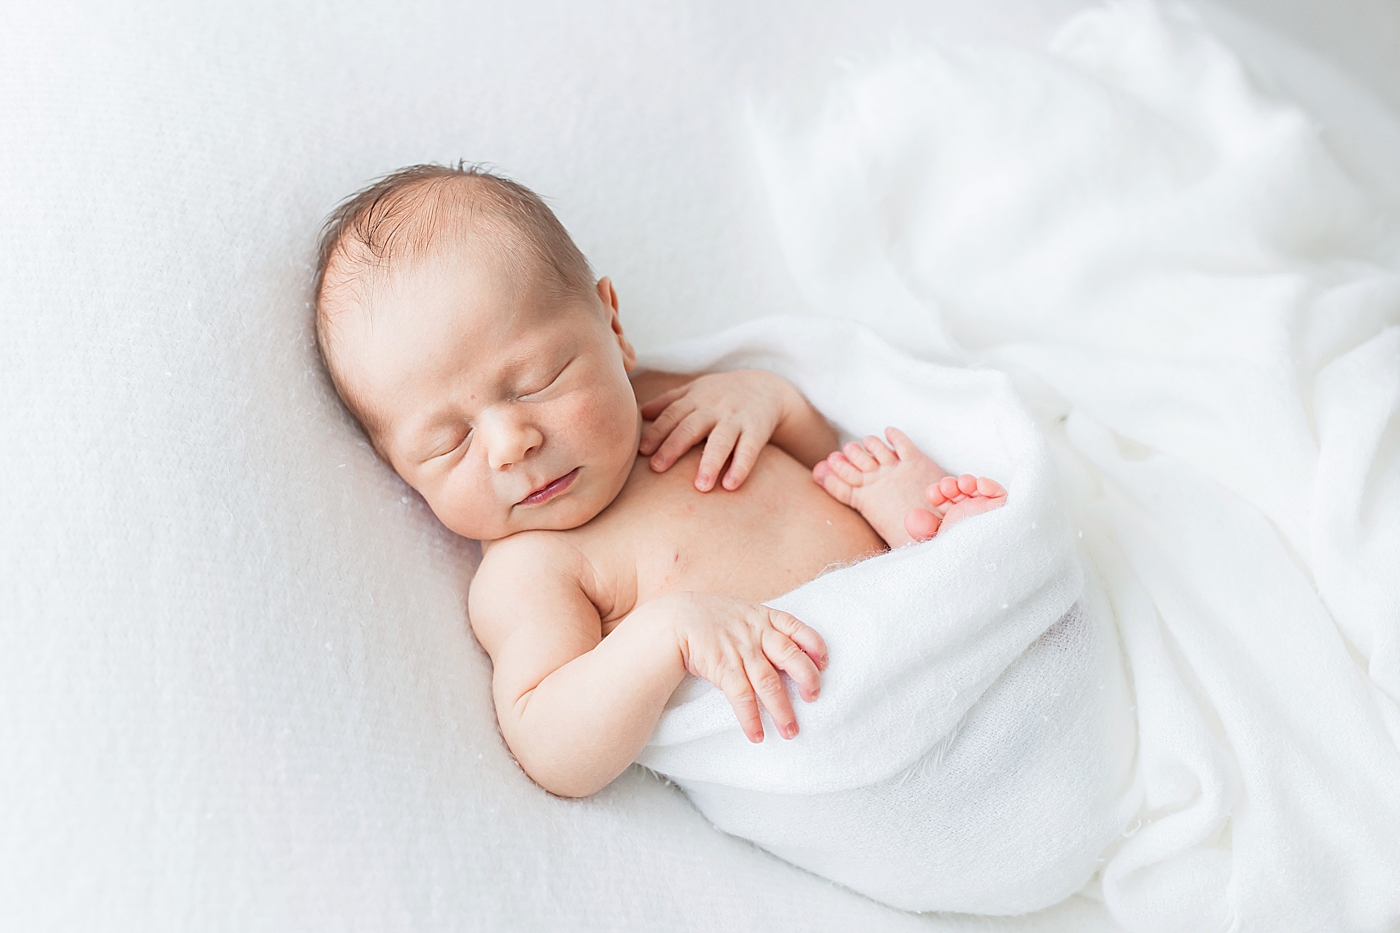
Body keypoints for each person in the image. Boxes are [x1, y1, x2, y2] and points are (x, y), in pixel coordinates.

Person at [313, 164, 1006, 798]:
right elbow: (550, 742)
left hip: (924, 616)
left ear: (611, 325)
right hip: (856, 729)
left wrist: (773, 403)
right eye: (448, 442)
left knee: (944, 518)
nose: (507, 444)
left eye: (538, 380)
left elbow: (818, 453)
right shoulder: (532, 571)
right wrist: (665, 634)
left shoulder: (673, 400)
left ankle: (938, 543)